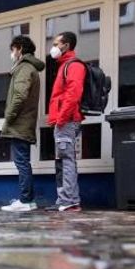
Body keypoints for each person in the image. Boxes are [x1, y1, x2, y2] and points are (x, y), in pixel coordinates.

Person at [0, 35, 46, 212]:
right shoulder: (28, 68)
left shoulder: (24, 68)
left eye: (13, 49)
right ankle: (29, 200)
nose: (12, 53)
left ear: (19, 49)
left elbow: (19, 96)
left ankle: (25, 200)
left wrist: (9, 117)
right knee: (23, 162)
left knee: (22, 163)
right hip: (23, 123)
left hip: (20, 124)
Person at [47, 31, 86, 213]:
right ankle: (68, 200)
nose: (54, 48)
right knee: (62, 161)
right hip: (63, 121)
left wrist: (61, 119)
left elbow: (73, 94)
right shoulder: (64, 65)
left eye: (57, 44)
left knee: (66, 160)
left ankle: (68, 200)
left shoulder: (73, 66)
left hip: (67, 121)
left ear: (67, 45)